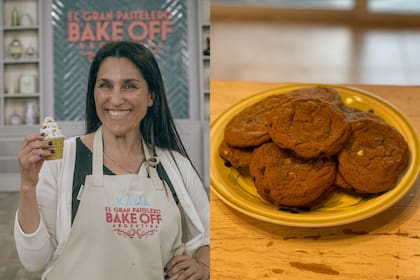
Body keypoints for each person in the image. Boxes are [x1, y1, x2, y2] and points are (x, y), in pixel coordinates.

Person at [14, 41, 210, 279]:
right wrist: (27, 185)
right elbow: (33, 261)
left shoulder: (176, 166)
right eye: (105, 85)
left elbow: (208, 238)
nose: (116, 100)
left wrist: (205, 266)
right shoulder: (62, 161)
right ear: (94, 93)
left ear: (151, 97)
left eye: (129, 86)